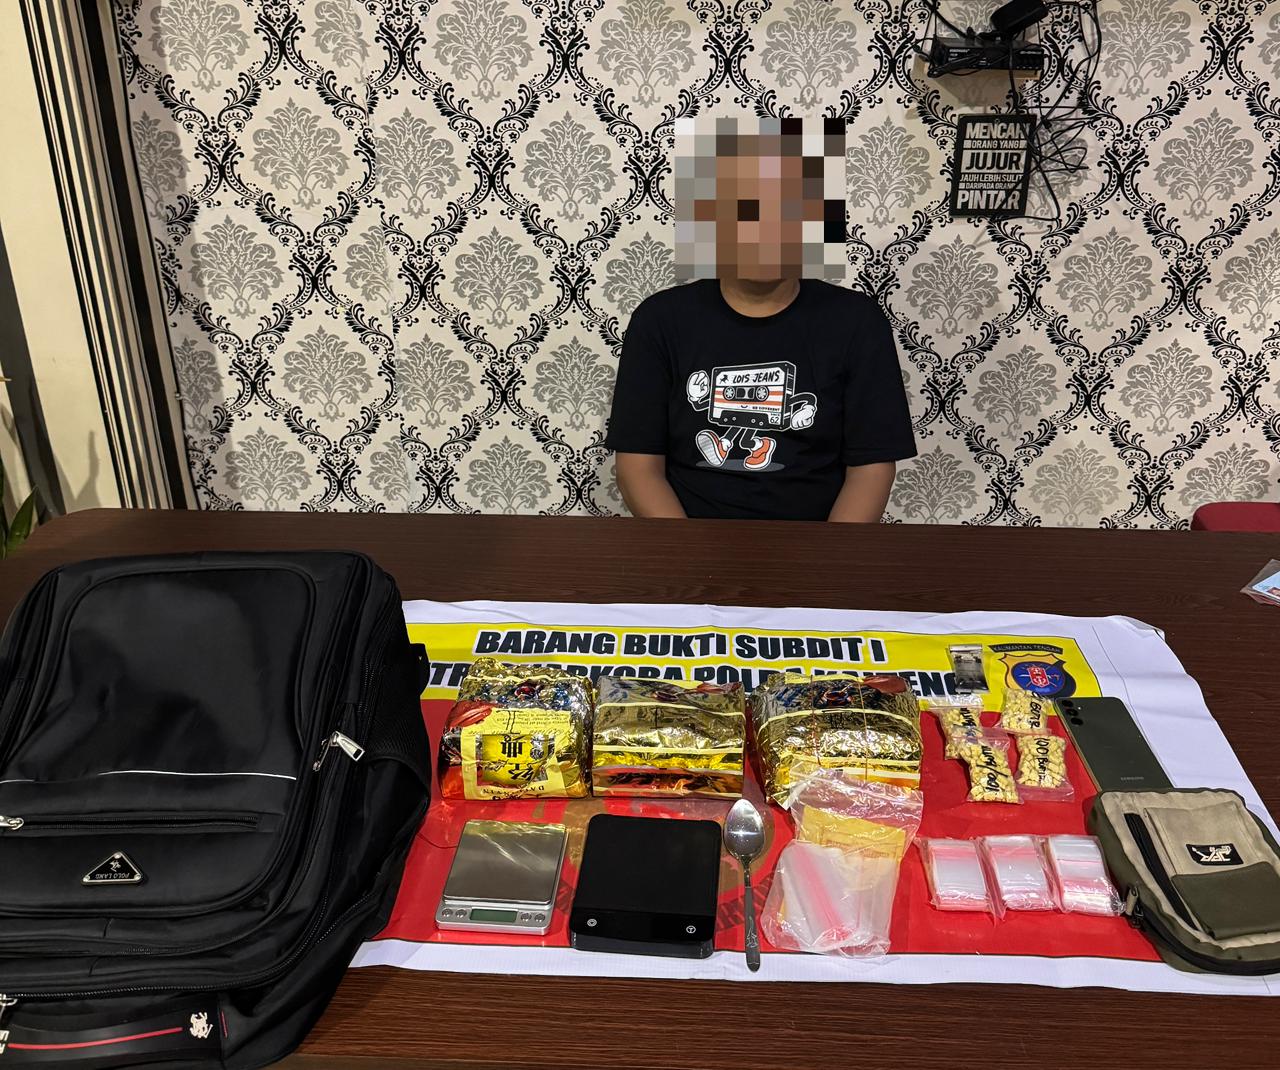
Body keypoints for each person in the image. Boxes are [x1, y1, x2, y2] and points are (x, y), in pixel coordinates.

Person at [604, 122, 917, 522]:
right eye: (744, 211)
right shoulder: (659, 320)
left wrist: (829, 556)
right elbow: (637, 468)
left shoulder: (858, 322)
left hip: (816, 543)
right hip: (688, 540)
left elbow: (870, 470)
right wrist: (689, 552)